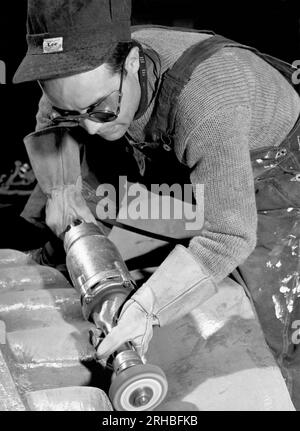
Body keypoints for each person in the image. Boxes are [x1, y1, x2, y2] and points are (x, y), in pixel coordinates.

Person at [13, 0, 300, 408]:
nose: (91, 125)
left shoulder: (209, 103)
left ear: (132, 63)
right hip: (178, 151)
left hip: (274, 174)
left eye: (100, 108)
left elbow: (228, 236)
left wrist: (149, 310)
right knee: (83, 195)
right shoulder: (80, 85)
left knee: (272, 319)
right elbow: (54, 122)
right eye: (72, 111)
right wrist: (62, 194)